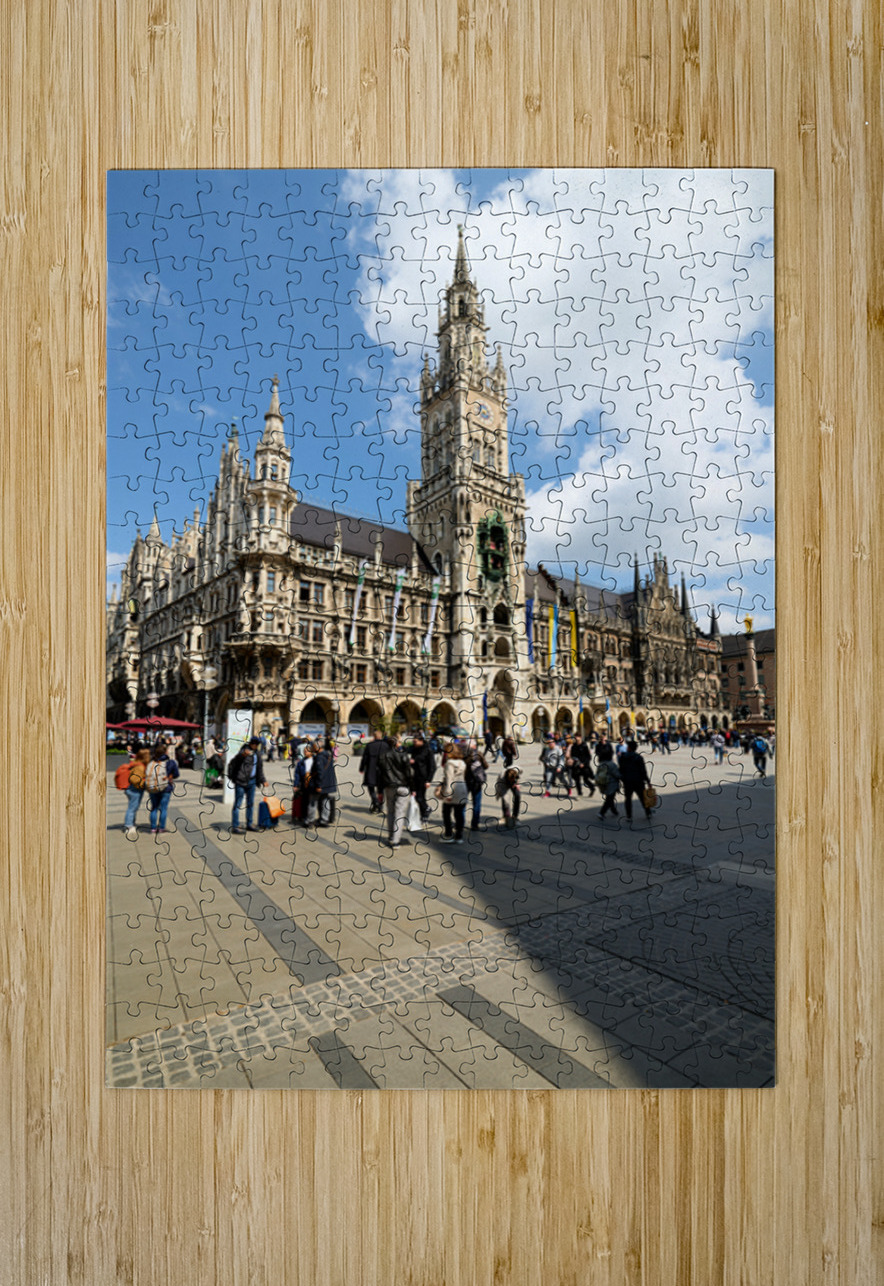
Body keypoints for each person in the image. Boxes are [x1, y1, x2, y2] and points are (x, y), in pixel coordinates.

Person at [377, 734, 414, 848]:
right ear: (397, 743)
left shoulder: (382, 756)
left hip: (389, 787)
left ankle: (390, 836)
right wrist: (412, 787)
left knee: (391, 812)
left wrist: (379, 790)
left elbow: (380, 775)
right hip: (403, 786)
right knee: (400, 813)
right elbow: (408, 773)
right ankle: (396, 841)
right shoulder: (402, 755)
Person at [227, 738, 266, 833]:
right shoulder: (244, 751)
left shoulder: (257, 754)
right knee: (238, 804)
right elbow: (236, 760)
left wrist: (263, 780)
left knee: (250, 804)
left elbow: (259, 768)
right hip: (241, 781)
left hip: (252, 782)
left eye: (257, 744)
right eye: (253, 743)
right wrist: (243, 755)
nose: (255, 745)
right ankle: (235, 826)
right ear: (250, 743)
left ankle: (249, 824)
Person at [145, 744, 180, 834]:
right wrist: (170, 776)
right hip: (166, 787)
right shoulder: (171, 762)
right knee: (163, 808)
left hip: (153, 786)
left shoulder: (151, 762)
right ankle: (161, 828)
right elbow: (176, 774)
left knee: (154, 808)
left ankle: (153, 828)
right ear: (166, 752)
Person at [437, 744, 468, 844]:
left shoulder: (449, 763)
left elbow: (449, 779)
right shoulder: (462, 762)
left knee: (446, 813)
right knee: (459, 814)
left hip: (453, 789)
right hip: (462, 788)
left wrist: (448, 794)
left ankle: (448, 834)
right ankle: (459, 836)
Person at [619, 740, 653, 821]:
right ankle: (648, 813)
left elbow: (620, 770)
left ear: (629, 748)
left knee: (628, 799)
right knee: (643, 798)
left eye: (627, 746)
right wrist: (648, 782)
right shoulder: (639, 757)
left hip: (628, 782)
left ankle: (629, 816)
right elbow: (643, 771)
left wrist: (622, 779)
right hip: (638, 781)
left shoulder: (623, 757)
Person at [123, 747, 151, 838]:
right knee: (132, 808)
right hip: (134, 790)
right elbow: (134, 779)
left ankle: (131, 823)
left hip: (133, 789)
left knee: (133, 807)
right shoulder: (140, 767)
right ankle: (129, 826)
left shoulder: (138, 764)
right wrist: (145, 783)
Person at [359, 728, 389, 814]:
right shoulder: (386, 745)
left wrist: (361, 768)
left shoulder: (369, 745)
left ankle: (375, 801)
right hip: (382, 770)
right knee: (381, 790)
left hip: (371, 769)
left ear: (374, 736)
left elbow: (364, 758)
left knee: (370, 787)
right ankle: (380, 806)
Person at [310, 739, 338, 826]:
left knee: (313, 801)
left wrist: (318, 785)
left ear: (317, 747)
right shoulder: (328, 755)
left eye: (313, 746)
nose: (312, 747)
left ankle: (310, 820)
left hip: (321, 784)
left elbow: (320, 772)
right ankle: (324, 819)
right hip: (328, 783)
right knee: (325, 800)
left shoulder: (319, 757)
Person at [409, 732, 436, 821]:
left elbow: (432, 766)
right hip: (415, 776)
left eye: (415, 741)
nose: (414, 743)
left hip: (423, 777)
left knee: (420, 796)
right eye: (413, 741)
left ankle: (426, 810)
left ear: (421, 741)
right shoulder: (414, 748)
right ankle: (424, 814)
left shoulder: (428, 750)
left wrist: (429, 780)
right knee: (417, 796)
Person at [464, 747, 488, 831]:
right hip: (477, 783)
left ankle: (461, 822)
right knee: (477, 804)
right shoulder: (479, 754)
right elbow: (486, 766)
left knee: (462, 803)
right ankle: (475, 824)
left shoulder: (464, 754)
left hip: (466, 782)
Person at [595, 743, 621, 819]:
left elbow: (597, 773)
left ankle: (614, 811)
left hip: (603, 784)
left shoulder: (600, 764)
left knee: (610, 798)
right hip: (611, 785)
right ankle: (601, 813)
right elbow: (617, 775)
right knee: (609, 799)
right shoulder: (612, 764)